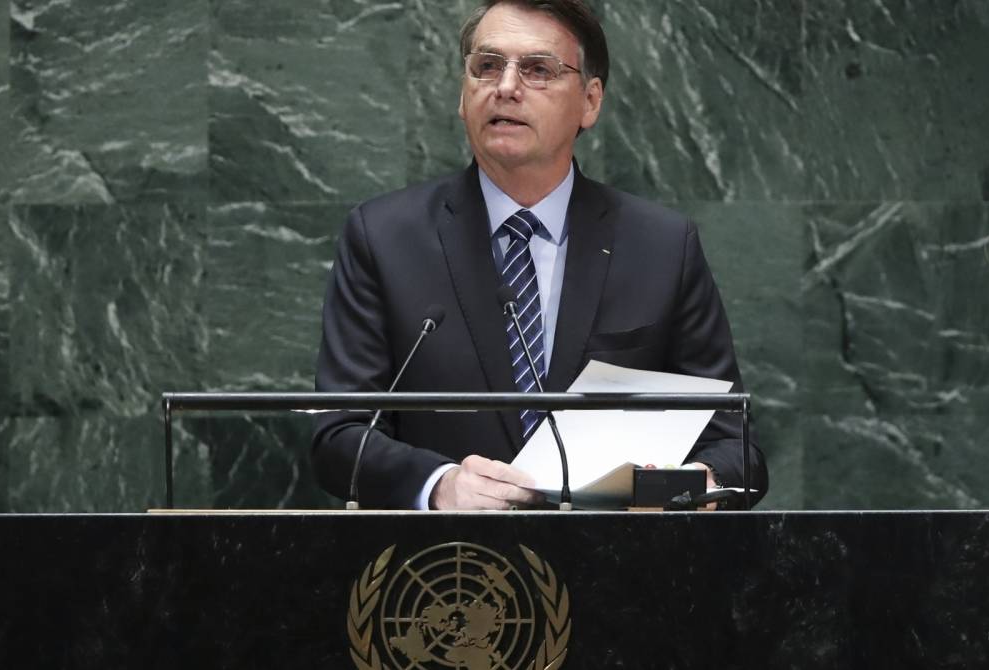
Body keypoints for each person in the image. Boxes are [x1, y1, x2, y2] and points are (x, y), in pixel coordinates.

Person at [312, 0, 768, 510]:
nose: (505, 86)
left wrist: (689, 486)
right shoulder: (383, 237)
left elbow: (735, 445)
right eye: (486, 65)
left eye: (537, 70)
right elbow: (339, 435)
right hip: (451, 567)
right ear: (464, 96)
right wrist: (439, 485)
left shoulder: (661, 246)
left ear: (590, 102)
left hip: (620, 566)